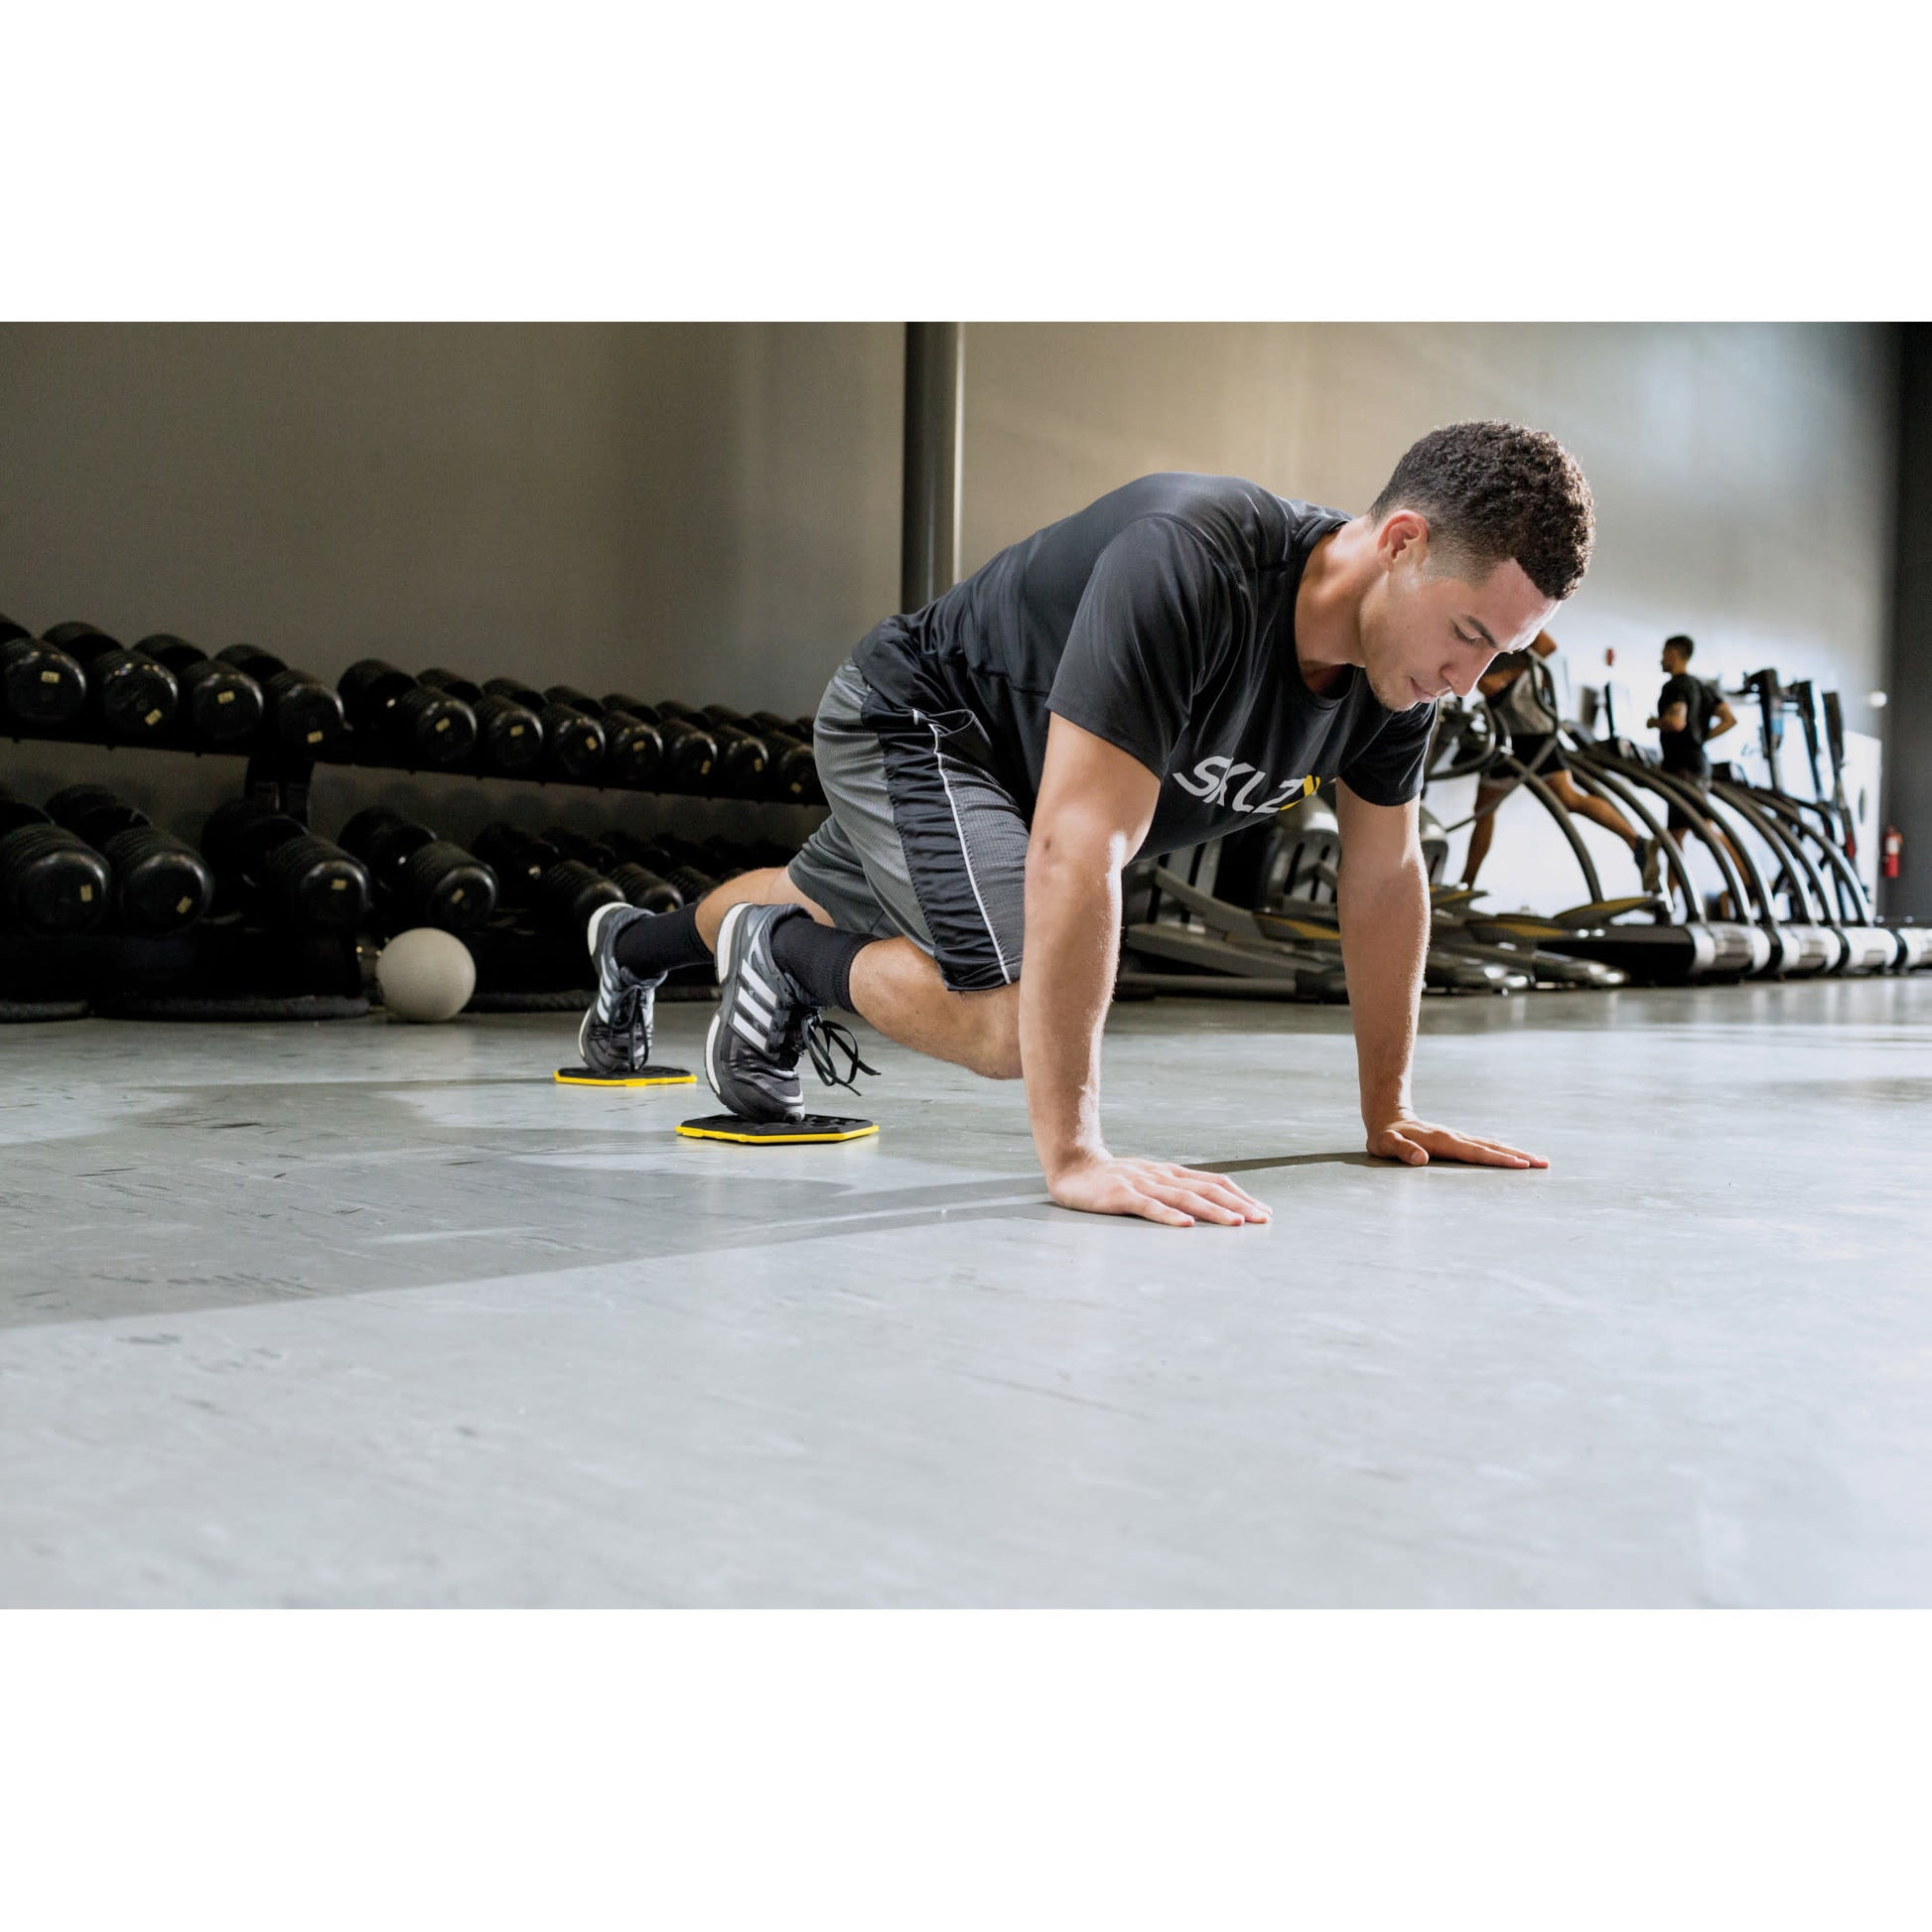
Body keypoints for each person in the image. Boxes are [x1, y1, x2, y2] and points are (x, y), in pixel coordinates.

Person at [579, 421, 1591, 1227]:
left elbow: (1380, 883)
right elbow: (1076, 848)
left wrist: (1389, 1108)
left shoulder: (1391, 688)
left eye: (1494, 655)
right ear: (1401, 543)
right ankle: (781, 956)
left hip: (1023, 793)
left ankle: (632, 945)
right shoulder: (1196, 561)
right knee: (1018, 1019)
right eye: (1465, 633)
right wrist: (1075, 1154)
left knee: (815, 892)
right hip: (928, 725)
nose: (1464, 682)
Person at [1460, 629, 1662, 894]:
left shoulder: (1510, 618)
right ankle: (1466, 885)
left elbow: (1546, 644)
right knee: (1485, 809)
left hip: (1533, 728)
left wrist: (1512, 674)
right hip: (1509, 729)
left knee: (1566, 798)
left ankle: (1637, 842)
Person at [1646, 634, 1743, 907]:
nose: (1661, 659)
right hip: (1696, 763)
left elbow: (1676, 722)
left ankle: (1747, 880)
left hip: (1684, 769)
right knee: (1676, 838)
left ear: (1675, 653)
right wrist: (1701, 739)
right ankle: (1669, 902)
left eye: (1665, 653)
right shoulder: (1702, 686)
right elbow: (1729, 719)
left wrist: (1655, 722)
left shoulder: (1676, 686)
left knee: (1703, 830)